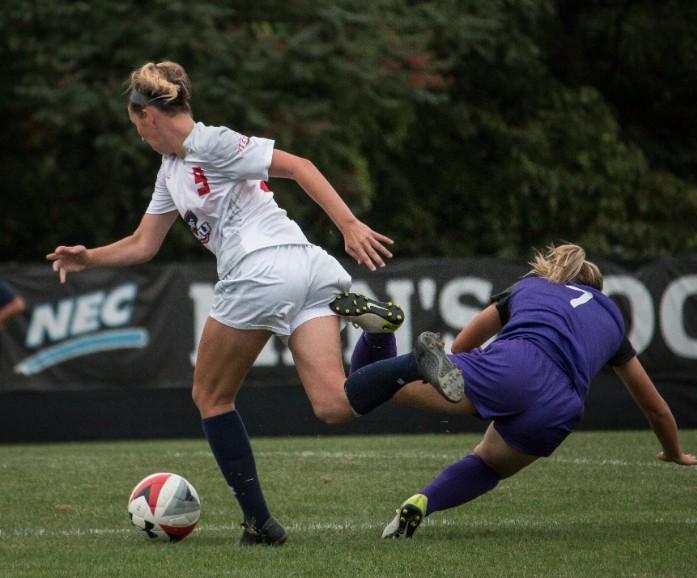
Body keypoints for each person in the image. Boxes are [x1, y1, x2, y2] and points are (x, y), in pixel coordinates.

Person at [46, 61, 429, 547]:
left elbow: (299, 167)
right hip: (308, 269)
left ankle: (259, 524)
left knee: (210, 397)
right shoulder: (171, 171)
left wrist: (350, 225)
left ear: (149, 116)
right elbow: (144, 244)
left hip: (260, 272)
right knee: (334, 406)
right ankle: (411, 359)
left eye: (136, 125)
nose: (139, 137)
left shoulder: (212, 142)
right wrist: (89, 258)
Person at [339, 243, 697, 539]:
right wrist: (673, 451)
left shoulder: (532, 286)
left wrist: (464, 377)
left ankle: (380, 332)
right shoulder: (610, 316)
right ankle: (423, 502)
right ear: (596, 289)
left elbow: (465, 341)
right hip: (562, 406)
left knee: (368, 386)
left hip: (513, 364)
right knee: (488, 464)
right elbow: (653, 406)